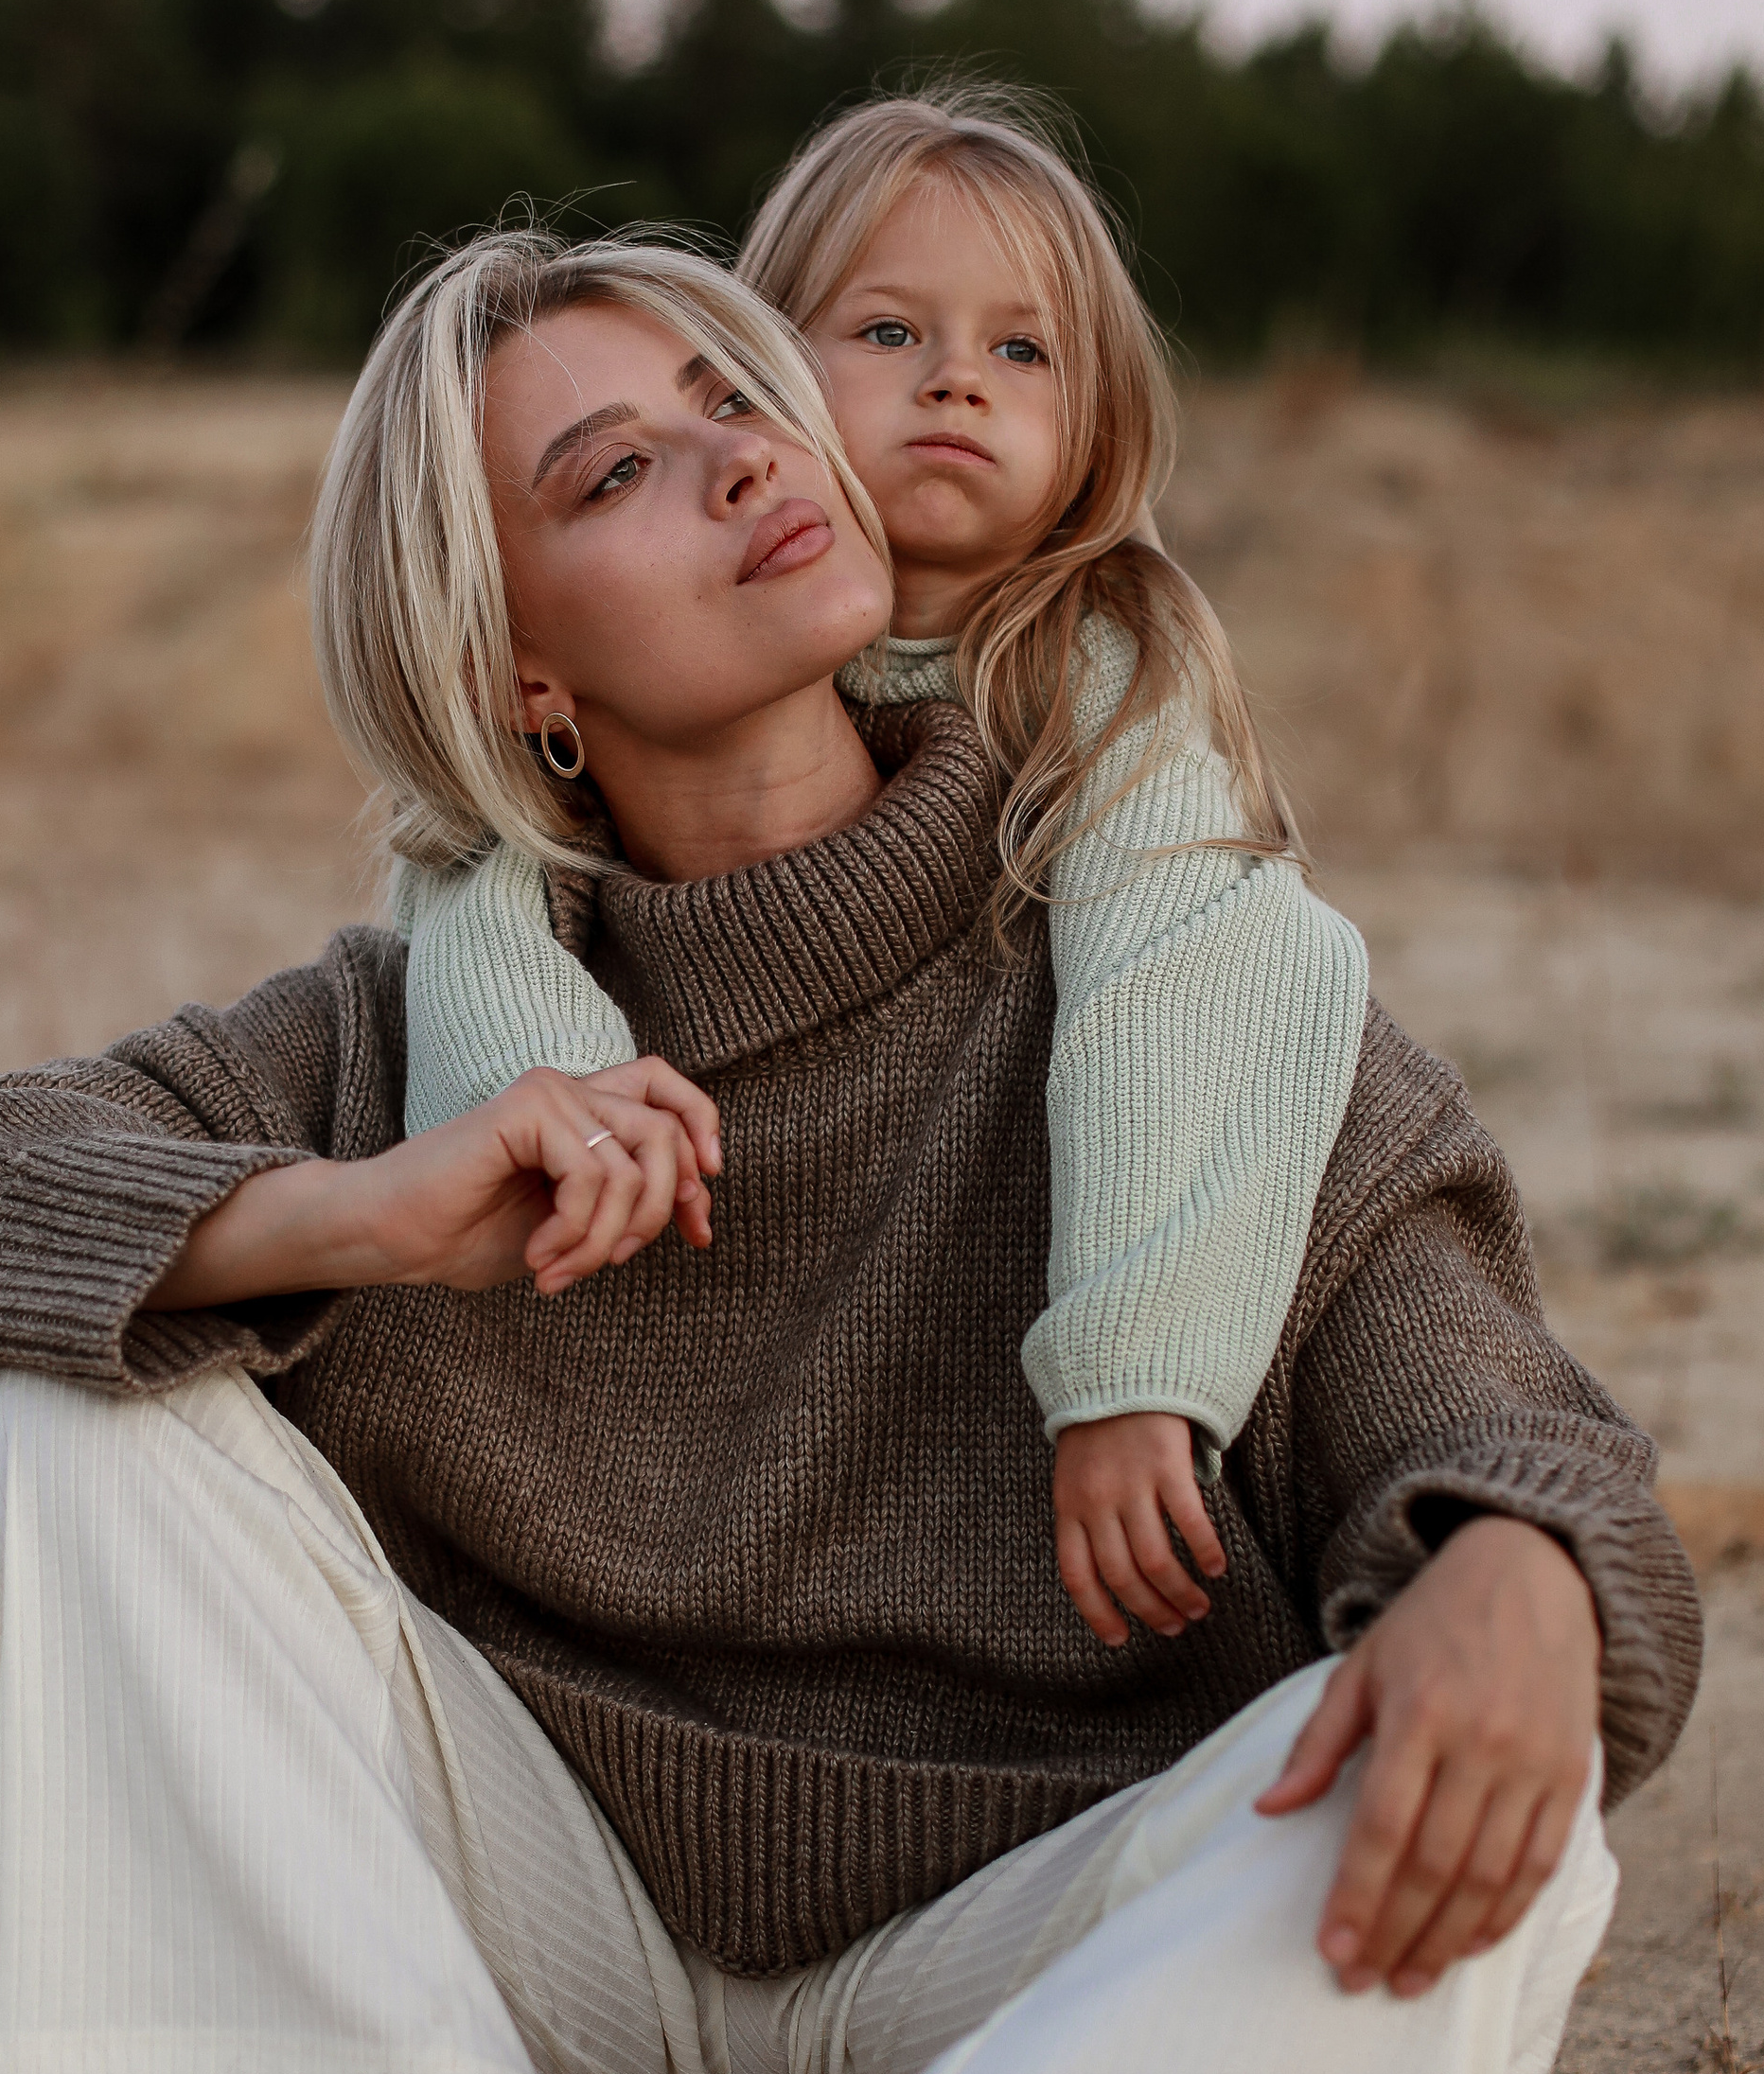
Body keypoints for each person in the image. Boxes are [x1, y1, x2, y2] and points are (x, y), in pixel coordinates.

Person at [0, 230, 1701, 2074]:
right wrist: (369, 1213)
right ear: (518, 675)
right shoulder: (411, 1027)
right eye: (611, 471)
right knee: (74, 1407)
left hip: (1004, 1996)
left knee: (1487, 1813)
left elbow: (1500, 1419)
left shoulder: (1164, 971)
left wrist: (1521, 1570)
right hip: (540, 1998)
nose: (735, 455)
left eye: (731, 396)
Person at [394, 88, 1367, 1653]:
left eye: (1021, 352)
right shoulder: (706, 655)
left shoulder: (1105, 669)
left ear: (1096, 424)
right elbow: (470, 876)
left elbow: (1178, 973)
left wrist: (1133, 1366)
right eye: (889, 334)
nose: (957, 388)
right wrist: (546, 1090)